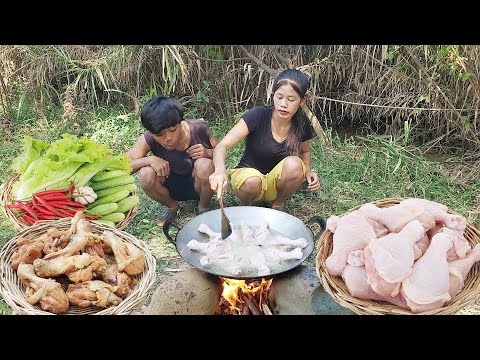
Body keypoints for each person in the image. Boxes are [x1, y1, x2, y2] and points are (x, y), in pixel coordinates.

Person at [209, 68, 320, 212]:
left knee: (294, 164)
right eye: (279, 97)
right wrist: (219, 170)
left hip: (275, 183)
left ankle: (277, 205)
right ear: (273, 95)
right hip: (248, 179)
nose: (283, 104)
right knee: (253, 181)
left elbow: (305, 151)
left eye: (291, 99)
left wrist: (308, 172)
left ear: (302, 100)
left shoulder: (301, 123)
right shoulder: (257, 115)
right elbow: (222, 145)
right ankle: (247, 208)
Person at [126, 95, 218, 224]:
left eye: (172, 130)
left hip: (201, 185)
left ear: (180, 122)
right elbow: (123, 166)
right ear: (151, 132)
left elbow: (221, 152)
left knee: (205, 165)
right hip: (170, 187)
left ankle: (203, 207)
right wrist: (149, 160)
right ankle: (172, 206)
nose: (168, 138)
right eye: (159, 134)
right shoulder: (148, 139)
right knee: (145, 174)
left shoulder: (199, 128)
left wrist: (208, 152)